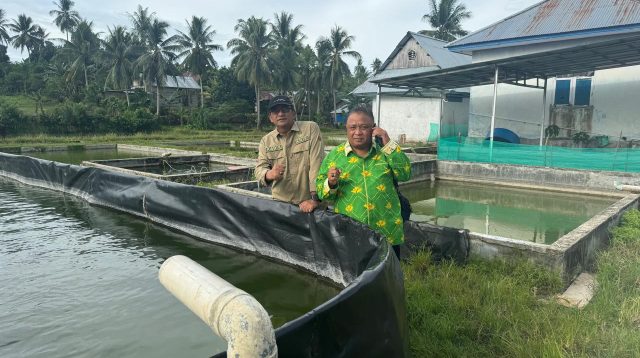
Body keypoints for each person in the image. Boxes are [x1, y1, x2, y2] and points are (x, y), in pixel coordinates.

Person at [316, 106, 411, 257]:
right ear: (346, 129)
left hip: (387, 231)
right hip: (350, 234)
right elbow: (323, 194)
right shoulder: (334, 156)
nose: (358, 132)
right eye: (353, 127)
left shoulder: (385, 151)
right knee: (355, 278)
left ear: (373, 129)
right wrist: (331, 183)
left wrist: (387, 142)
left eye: (364, 127)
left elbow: (405, 174)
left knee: (388, 277)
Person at [255, 95, 325, 213]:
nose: (281, 113)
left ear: (293, 113)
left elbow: (316, 164)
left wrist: (315, 199)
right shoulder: (266, 141)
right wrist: (268, 174)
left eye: (285, 109)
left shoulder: (310, 129)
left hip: (311, 205)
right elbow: (259, 168)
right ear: (271, 117)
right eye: (276, 111)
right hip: (282, 206)